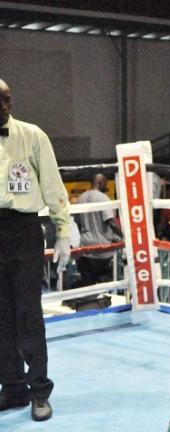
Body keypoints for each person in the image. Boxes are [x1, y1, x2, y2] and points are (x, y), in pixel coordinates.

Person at [0, 78, 71, 421]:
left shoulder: (33, 135)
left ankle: (39, 390)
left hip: (24, 230)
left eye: (8, 99)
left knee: (29, 313)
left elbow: (54, 185)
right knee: (1, 315)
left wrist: (63, 231)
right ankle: (12, 388)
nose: (4, 106)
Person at [75, 173, 122, 287]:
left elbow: (77, 222)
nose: (107, 186)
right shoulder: (102, 198)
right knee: (105, 285)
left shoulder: (81, 198)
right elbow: (110, 221)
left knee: (87, 285)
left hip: (84, 247)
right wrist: (125, 236)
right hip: (101, 249)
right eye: (105, 183)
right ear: (100, 182)